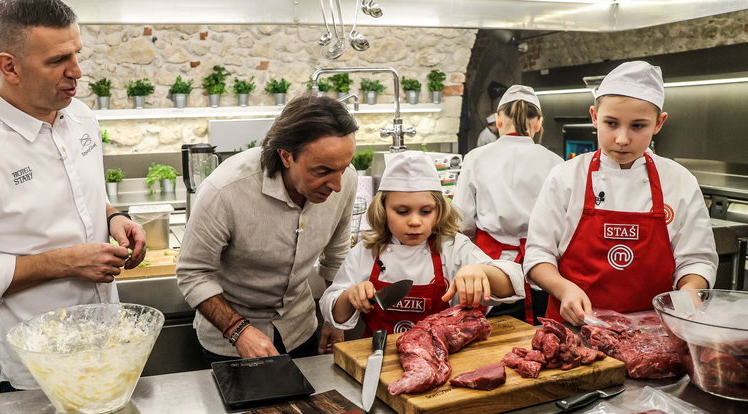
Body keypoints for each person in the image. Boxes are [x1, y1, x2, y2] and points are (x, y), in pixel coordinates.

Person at [0, 0, 146, 391]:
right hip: (36, 368)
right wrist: (60, 263)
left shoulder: (80, 118)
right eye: (58, 59)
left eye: (76, 53)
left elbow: (80, 195)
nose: (76, 71)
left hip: (108, 344)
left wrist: (113, 218)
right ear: (10, 67)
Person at [524, 61, 717, 326]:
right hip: (574, 330)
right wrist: (562, 288)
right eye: (611, 123)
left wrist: (689, 295)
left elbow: (696, 261)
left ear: (659, 123)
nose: (622, 138)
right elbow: (538, 256)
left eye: (638, 126)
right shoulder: (566, 177)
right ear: (594, 117)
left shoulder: (679, 181)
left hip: (653, 334)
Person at [177, 94, 357, 363]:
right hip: (230, 344)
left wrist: (334, 319)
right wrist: (238, 331)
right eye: (321, 171)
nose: (337, 185)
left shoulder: (344, 178)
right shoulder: (225, 190)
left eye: (343, 168)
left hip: (301, 330)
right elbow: (193, 274)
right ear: (286, 156)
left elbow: (336, 257)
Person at [320, 151, 524, 336]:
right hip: (379, 357)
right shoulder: (366, 251)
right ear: (383, 209)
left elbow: (511, 284)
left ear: (439, 210)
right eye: (402, 211)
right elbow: (335, 314)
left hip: (440, 356)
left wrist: (482, 272)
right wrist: (349, 297)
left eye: (426, 212)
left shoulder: (453, 247)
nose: (415, 221)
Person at [453, 85, 563, 325]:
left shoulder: (476, 158)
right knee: (540, 340)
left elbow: (462, 222)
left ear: (499, 120)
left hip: (489, 268)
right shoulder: (555, 162)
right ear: (538, 123)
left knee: (487, 336)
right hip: (540, 269)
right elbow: (562, 225)